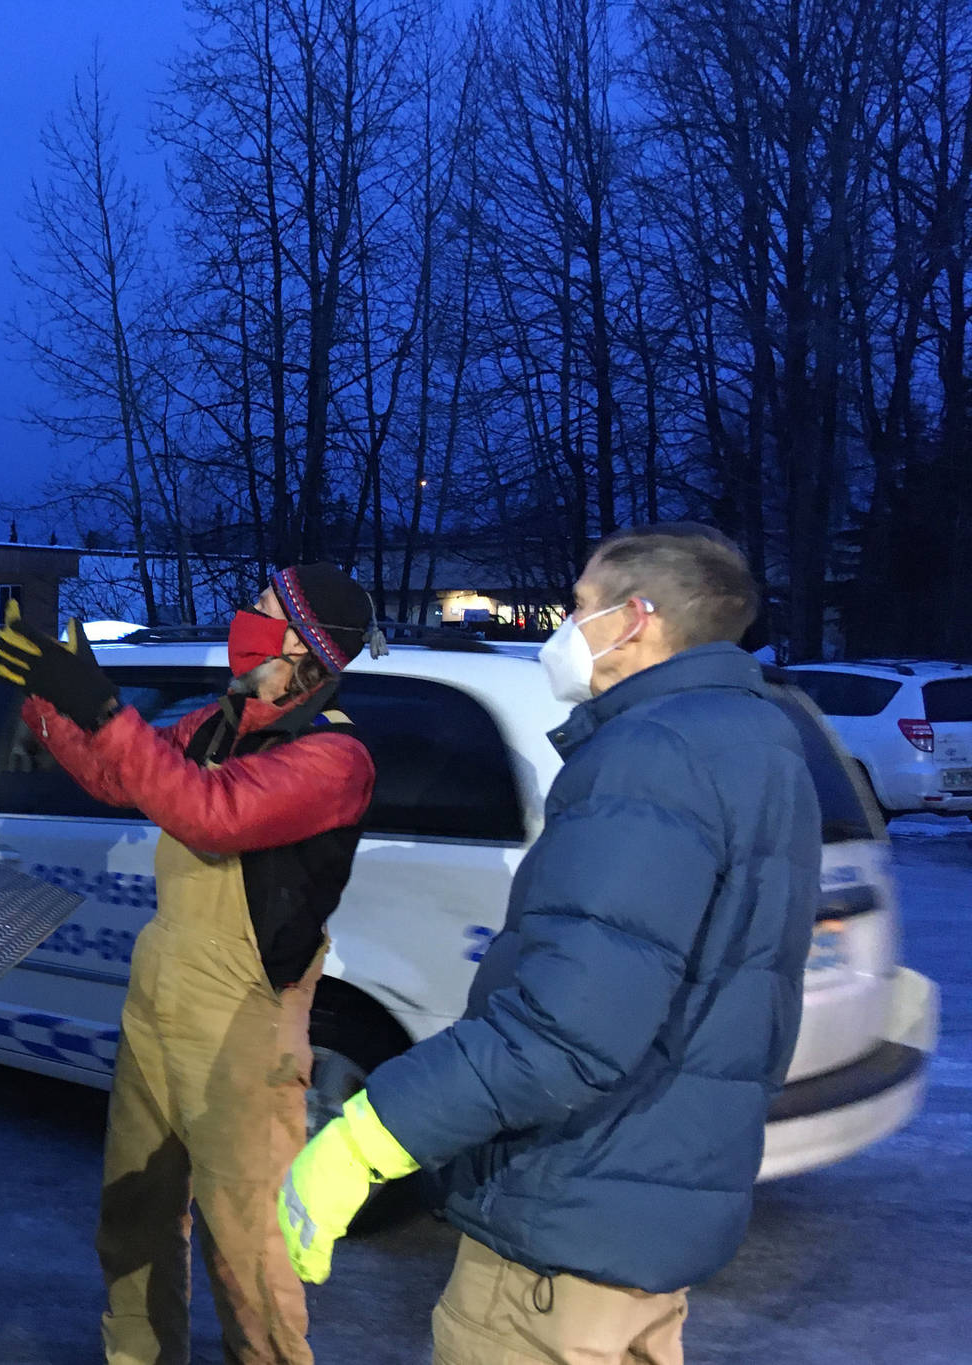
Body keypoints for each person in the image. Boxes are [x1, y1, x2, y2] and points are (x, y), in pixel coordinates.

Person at [279, 525, 822, 1365]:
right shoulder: (757, 739)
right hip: (644, 1220)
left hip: (561, 1233)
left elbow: (565, 1030)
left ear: (634, 618)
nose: (563, 627)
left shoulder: (650, 755)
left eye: (577, 606)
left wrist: (363, 1138)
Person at [0, 567, 380, 1365]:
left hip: (244, 1025)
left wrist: (108, 706)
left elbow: (210, 815)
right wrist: (50, 692)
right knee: (134, 1220)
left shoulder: (333, 755)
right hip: (162, 992)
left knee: (248, 1251)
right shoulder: (220, 722)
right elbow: (122, 776)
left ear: (303, 644)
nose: (243, 617)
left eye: (265, 608)